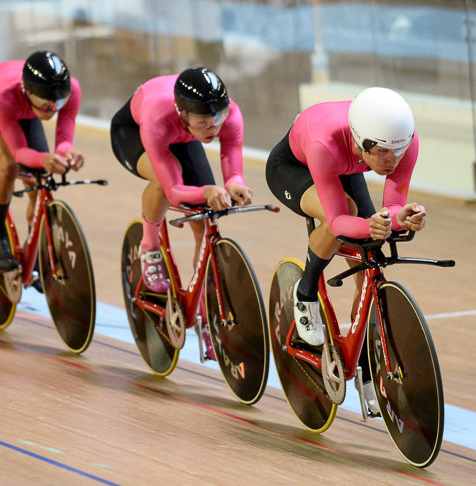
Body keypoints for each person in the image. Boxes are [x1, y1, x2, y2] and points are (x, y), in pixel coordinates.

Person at [265, 86, 427, 415]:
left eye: (398, 151)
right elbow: (340, 220)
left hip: (347, 165)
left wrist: (405, 216)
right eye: (382, 153)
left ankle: (363, 357)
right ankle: (305, 290)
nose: (392, 160)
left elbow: (391, 209)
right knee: (346, 212)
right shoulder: (324, 143)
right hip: (296, 167)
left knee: (371, 248)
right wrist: (370, 225)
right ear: (360, 142)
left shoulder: (400, 143)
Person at [110, 66, 254, 359]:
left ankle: (204, 317)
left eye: (218, 119)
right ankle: (149, 247)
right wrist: (207, 191)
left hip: (183, 137)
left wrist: (235, 184)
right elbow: (174, 189)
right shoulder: (157, 118)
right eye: (204, 121)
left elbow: (232, 161)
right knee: (163, 184)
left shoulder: (227, 115)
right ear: (184, 115)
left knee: (205, 220)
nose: (213, 127)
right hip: (134, 134)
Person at [0, 50, 83, 291]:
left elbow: (63, 139)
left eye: (59, 104)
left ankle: (33, 248)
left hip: (24, 110)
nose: (52, 110)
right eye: (47, 105)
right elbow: (18, 152)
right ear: (27, 93)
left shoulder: (68, 92)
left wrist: (67, 152)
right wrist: (44, 158)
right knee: (7, 166)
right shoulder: (4, 93)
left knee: (41, 181)